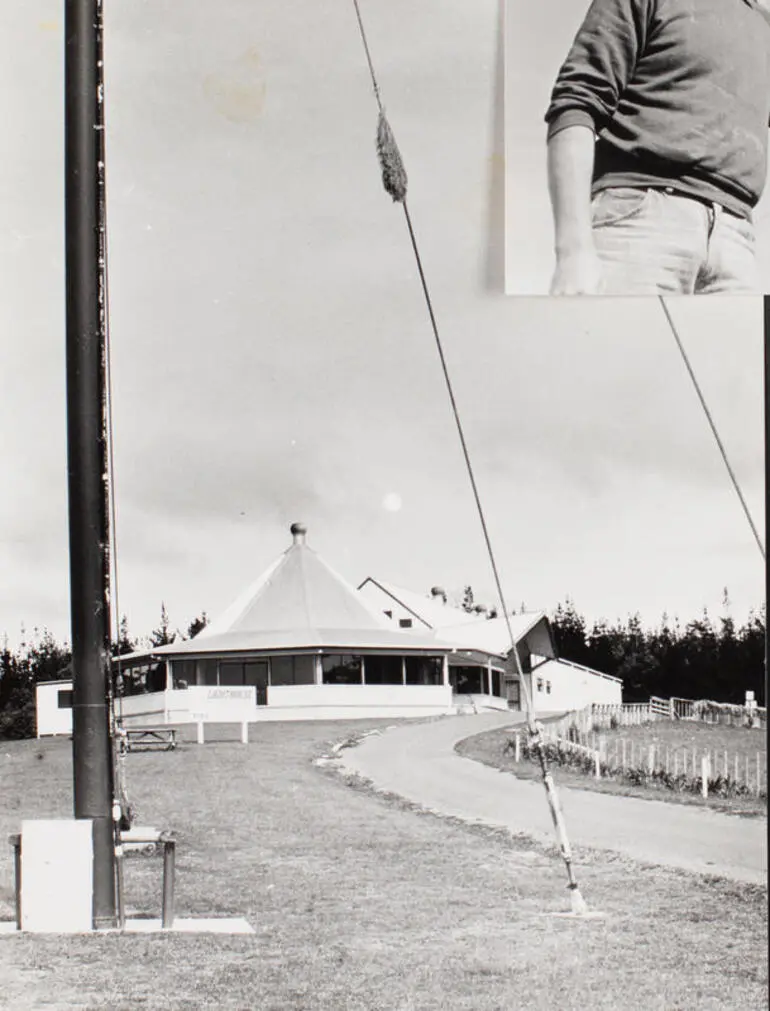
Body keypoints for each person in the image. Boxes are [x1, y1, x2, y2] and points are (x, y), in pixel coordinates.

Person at [545, 0, 770, 296]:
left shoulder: (764, 25)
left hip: (736, 240)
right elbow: (576, 104)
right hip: (641, 217)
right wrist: (573, 251)